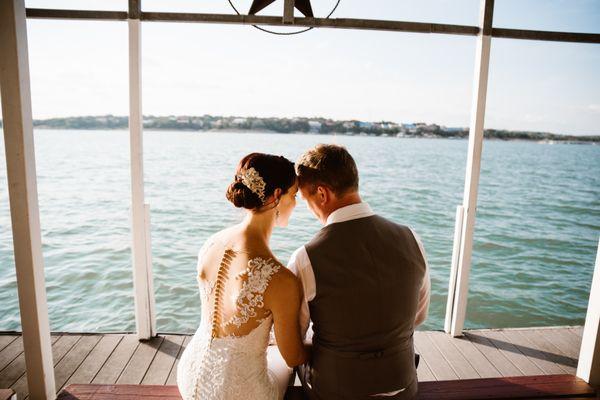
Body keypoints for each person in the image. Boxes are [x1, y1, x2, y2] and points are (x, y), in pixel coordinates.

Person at [288, 144, 431, 400]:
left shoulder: (306, 258)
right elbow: (417, 317)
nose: (307, 208)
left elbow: (295, 340)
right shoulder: (412, 238)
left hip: (336, 392)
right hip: (403, 385)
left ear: (322, 194)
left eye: (305, 199)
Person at [177, 153, 309, 400]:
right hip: (239, 392)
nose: (296, 203)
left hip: (189, 373)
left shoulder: (211, 243)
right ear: (277, 195)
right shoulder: (280, 279)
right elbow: (294, 356)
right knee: (287, 363)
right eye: (295, 195)